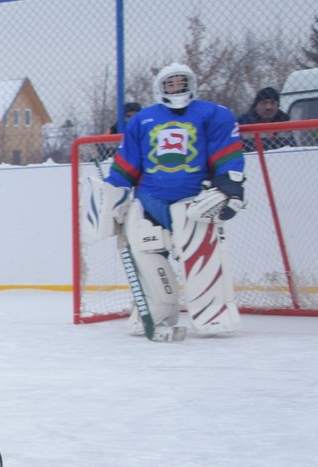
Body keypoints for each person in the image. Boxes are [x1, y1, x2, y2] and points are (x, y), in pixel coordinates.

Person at [92, 63, 246, 340]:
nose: (176, 88)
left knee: (201, 258)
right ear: (160, 87)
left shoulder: (213, 114)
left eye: (181, 82)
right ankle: (156, 310)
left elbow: (227, 154)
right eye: (170, 83)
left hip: (193, 201)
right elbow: (127, 163)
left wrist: (230, 186)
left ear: (191, 84)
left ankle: (212, 314)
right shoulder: (142, 120)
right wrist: (115, 196)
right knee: (148, 259)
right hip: (148, 200)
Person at [237, 86, 292, 150]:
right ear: (256, 106)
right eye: (264, 103)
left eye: (272, 103)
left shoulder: (286, 125)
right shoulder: (242, 123)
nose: (268, 107)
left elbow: (293, 147)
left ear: (277, 106)